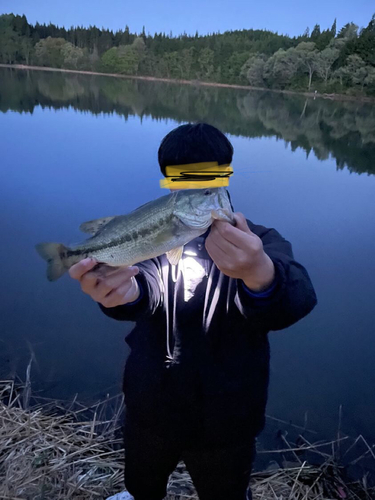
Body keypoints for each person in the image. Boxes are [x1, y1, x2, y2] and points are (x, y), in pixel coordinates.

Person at [69, 123, 317, 500]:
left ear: (224, 178)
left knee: (225, 492)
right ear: (168, 183)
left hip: (228, 418)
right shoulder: (154, 236)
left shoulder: (260, 243)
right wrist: (117, 294)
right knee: (141, 484)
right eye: (181, 180)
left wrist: (258, 271)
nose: (196, 190)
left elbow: (296, 298)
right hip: (150, 405)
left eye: (206, 182)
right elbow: (140, 288)